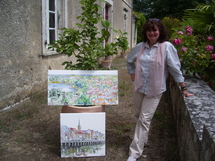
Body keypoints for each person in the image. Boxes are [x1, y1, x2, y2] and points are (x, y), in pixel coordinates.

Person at [126, 18, 194, 161]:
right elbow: (129, 60)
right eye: (149, 30)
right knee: (138, 116)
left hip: (155, 89)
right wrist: (132, 72)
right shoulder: (141, 46)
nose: (152, 33)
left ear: (160, 31)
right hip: (139, 87)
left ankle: (134, 153)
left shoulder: (167, 46)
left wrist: (184, 88)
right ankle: (143, 141)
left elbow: (175, 68)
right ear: (145, 32)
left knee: (144, 119)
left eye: (155, 30)